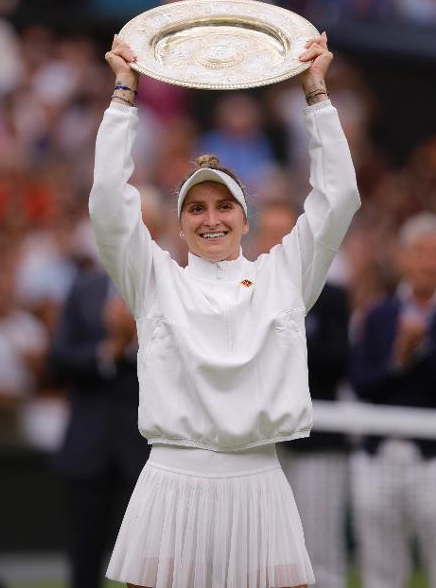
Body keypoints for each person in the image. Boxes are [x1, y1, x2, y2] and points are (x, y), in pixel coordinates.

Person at [88, 31, 360, 588]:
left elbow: (338, 199)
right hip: (172, 479)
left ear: (244, 217)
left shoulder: (285, 275)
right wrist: (124, 95)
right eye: (195, 207)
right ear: (179, 222)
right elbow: (108, 205)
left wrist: (316, 95)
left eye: (223, 206)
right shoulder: (154, 278)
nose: (210, 218)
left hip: (259, 481)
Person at [254, 200, 351, 588]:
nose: (275, 243)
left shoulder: (331, 294)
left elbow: (335, 362)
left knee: (321, 552)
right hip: (260, 443)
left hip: (316, 443)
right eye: (268, 234)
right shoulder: (242, 289)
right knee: (262, 553)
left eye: (284, 234)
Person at [350, 211, 436, 588]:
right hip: (379, 455)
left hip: (431, 457)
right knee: (381, 569)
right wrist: (399, 359)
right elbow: (362, 383)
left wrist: (419, 351)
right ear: (402, 258)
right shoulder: (378, 315)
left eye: (433, 253)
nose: (426, 263)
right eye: (418, 252)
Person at [50, 265, 150, 588]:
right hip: (88, 446)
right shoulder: (84, 290)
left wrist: (137, 341)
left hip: (147, 451)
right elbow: (59, 359)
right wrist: (111, 350)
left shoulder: (168, 286)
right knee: (85, 555)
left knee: (149, 560)